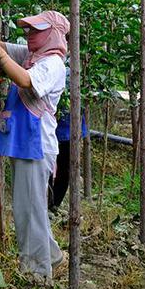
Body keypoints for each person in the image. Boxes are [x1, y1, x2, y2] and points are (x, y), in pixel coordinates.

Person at [0, 10, 70, 281]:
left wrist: (0, 55)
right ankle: (51, 253)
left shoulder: (53, 64)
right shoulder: (33, 56)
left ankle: (37, 269)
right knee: (30, 206)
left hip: (36, 145)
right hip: (26, 142)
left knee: (29, 209)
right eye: (29, 30)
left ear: (54, 34)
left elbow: (26, 80)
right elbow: (5, 48)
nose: (30, 35)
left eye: (37, 30)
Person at [49, 65, 88, 212]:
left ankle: (54, 204)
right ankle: (49, 202)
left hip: (69, 127)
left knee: (64, 168)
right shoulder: (52, 59)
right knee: (49, 167)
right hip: (50, 126)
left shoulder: (76, 64)